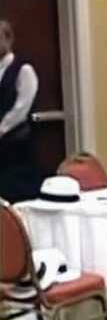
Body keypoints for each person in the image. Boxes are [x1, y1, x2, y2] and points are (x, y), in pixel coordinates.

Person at [0, 19, 40, 203]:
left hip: (16, 145)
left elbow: (22, 107)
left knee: (15, 195)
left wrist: (2, 128)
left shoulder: (24, 69)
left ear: (8, 40)